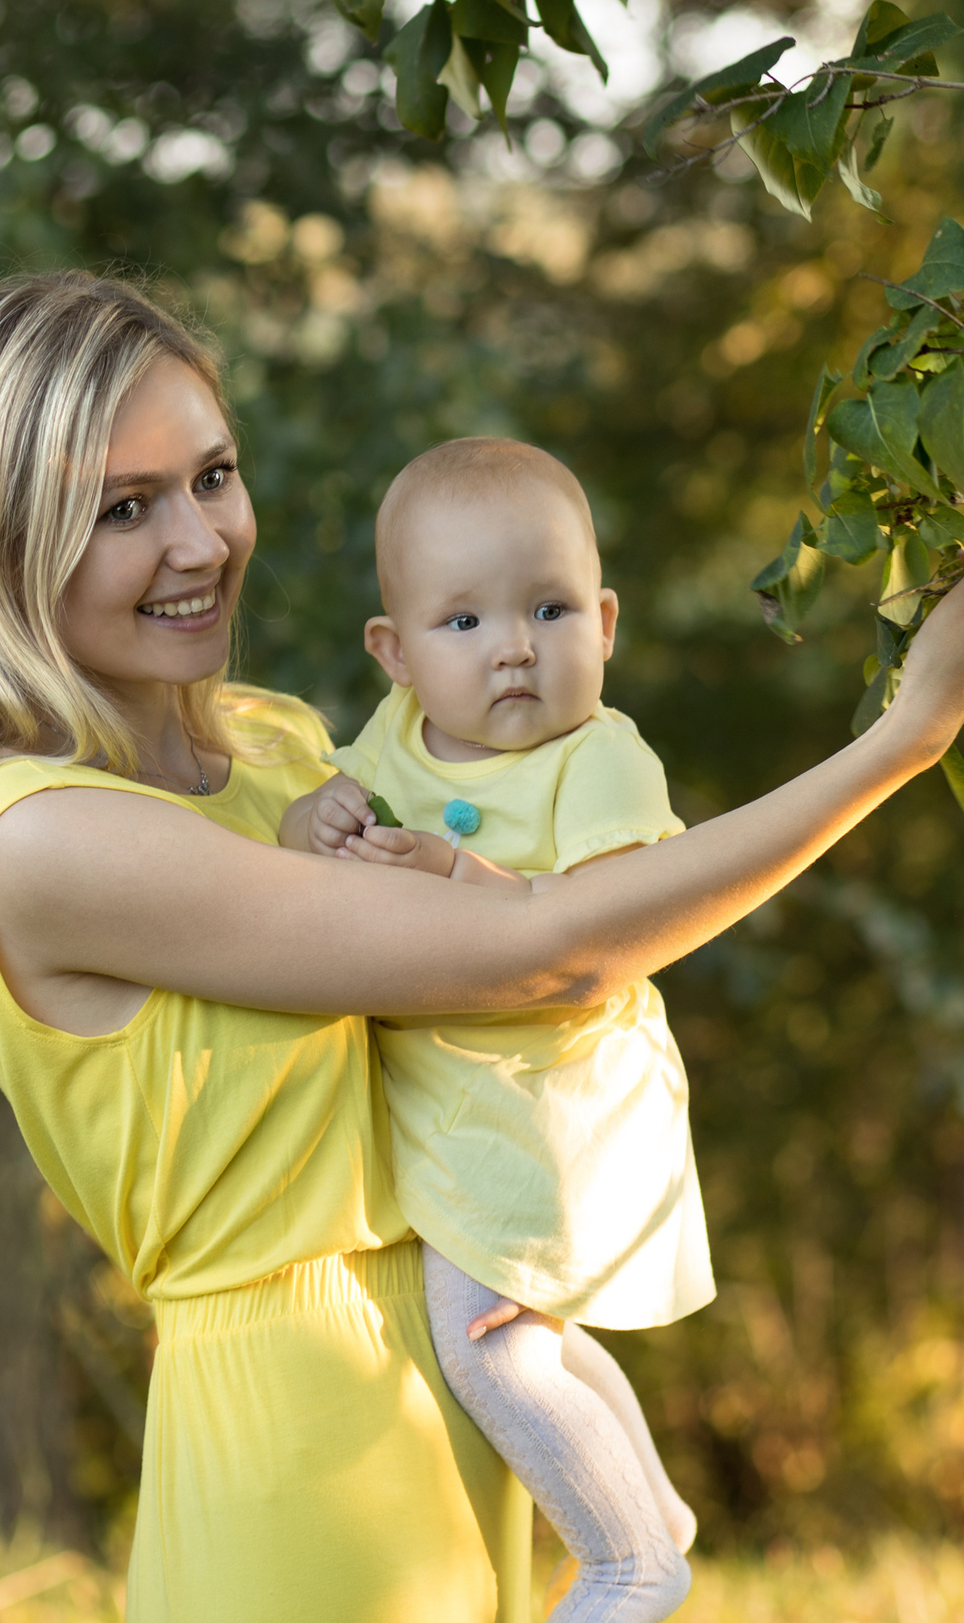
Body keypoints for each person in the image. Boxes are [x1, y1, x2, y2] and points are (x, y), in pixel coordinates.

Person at [0, 269, 964, 1623]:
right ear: (2, 545)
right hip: (299, 1453)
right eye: (124, 507)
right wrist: (907, 740)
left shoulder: (288, 747)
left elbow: (538, 858)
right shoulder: (38, 835)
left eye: (213, 475)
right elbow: (549, 953)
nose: (199, 540)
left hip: (461, 1367)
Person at [279, 436, 709, 1621]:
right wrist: (315, 814)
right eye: (462, 624)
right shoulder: (387, 743)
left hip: (559, 1105)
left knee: (484, 1340)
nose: (514, 644)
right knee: (534, 1329)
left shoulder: (603, 758)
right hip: (466, 1106)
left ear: (606, 624)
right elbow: (322, 829)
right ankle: (654, 1510)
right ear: (396, 651)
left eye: (551, 608)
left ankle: (628, 1561)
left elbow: (600, 926)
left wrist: (449, 869)